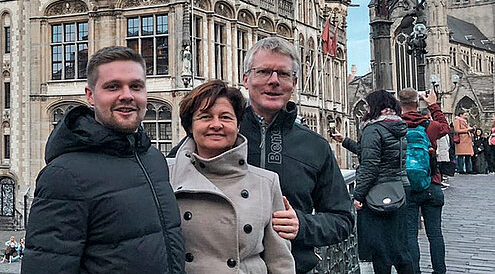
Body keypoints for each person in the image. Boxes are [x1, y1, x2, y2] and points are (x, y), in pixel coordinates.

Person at [23, 46, 186, 274]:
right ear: (90, 96)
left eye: (136, 86)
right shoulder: (64, 175)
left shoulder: (154, 160)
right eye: (113, 87)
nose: (127, 95)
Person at [220, 36, 353, 274]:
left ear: (294, 82)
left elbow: (342, 219)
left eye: (282, 74)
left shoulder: (315, 146)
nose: (273, 81)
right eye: (263, 72)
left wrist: (302, 224)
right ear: (245, 79)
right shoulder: (218, 135)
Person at [167, 80, 294, 274]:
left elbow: (280, 262)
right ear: (190, 126)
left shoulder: (266, 183)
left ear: (238, 125)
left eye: (225, 117)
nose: (216, 125)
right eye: (205, 117)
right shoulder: (166, 174)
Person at [340, 90, 414, 274]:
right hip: (400, 187)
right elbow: (374, 153)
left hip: (378, 192)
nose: (365, 109)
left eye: (367, 105)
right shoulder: (397, 125)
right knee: (400, 246)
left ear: (375, 107)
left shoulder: (373, 129)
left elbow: (370, 165)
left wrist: (358, 195)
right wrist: (345, 141)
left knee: (380, 249)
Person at [392, 88, 448, 274]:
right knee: (435, 234)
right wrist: (433, 104)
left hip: (406, 185)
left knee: (410, 235)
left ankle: (413, 271)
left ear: (399, 103)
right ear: (418, 103)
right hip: (431, 182)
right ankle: (439, 271)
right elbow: (445, 126)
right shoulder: (430, 126)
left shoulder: (395, 126)